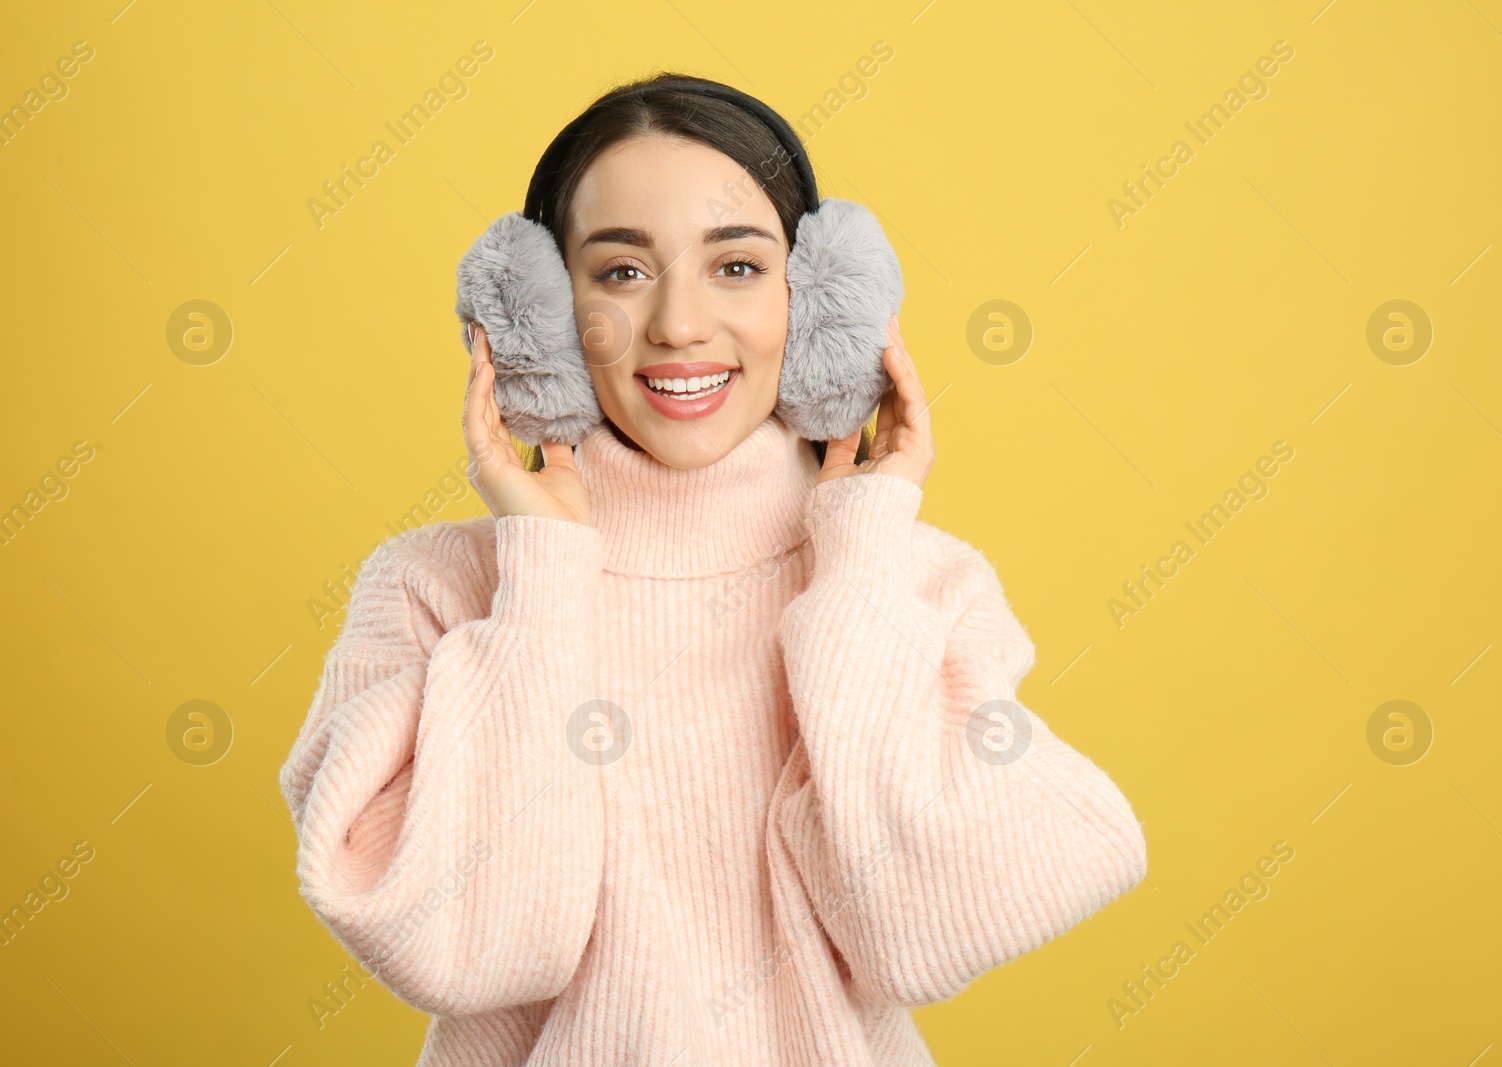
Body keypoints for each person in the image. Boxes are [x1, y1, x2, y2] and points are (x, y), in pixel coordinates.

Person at [277, 71, 1147, 1066]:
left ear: (817, 306)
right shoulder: (432, 588)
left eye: (735, 267)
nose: (679, 326)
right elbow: (475, 945)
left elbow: (922, 927)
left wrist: (858, 551)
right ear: (543, 319)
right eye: (619, 272)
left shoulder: (912, 580)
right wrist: (545, 579)